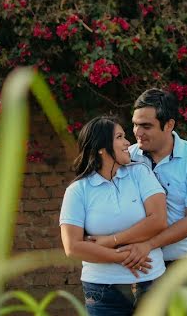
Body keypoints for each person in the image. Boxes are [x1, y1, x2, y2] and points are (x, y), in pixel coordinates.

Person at [60, 116, 168, 315]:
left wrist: (111, 241)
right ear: (101, 147)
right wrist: (122, 257)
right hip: (103, 290)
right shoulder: (77, 191)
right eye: (120, 137)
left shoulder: (140, 173)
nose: (128, 142)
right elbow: (72, 247)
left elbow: (159, 220)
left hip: (151, 283)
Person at [119, 88, 187, 302]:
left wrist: (148, 244)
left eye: (146, 126)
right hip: (150, 265)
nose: (137, 132)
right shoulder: (128, 158)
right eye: (135, 124)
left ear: (169, 125)